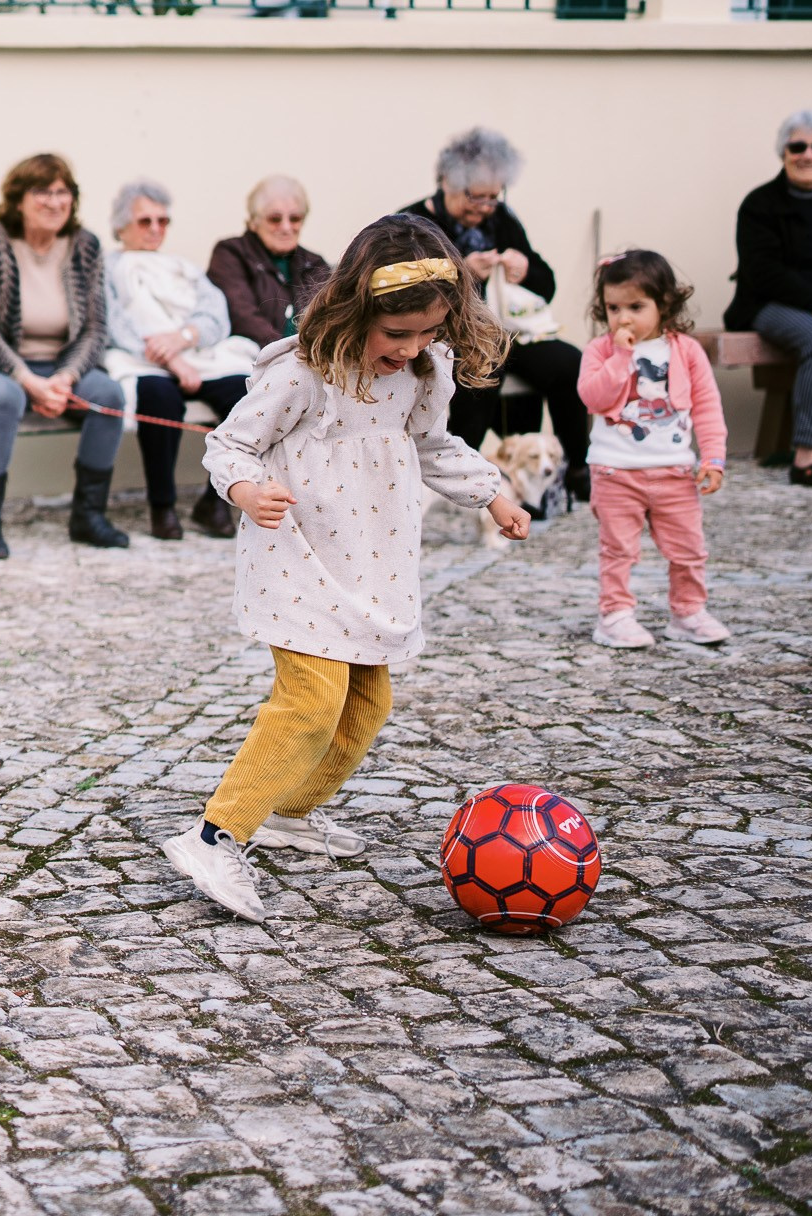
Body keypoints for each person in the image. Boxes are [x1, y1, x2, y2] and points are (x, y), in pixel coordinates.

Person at [164, 216, 531, 920]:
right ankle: (215, 835)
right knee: (309, 702)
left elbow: (433, 446)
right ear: (355, 309)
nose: (413, 347)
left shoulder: (422, 374)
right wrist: (247, 490)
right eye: (397, 332)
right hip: (298, 559)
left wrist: (494, 494)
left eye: (429, 331)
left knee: (367, 705)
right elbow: (230, 445)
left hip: (371, 564)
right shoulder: (304, 374)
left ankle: (288, 810)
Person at [0, 153, 130, 559]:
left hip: (62, 366)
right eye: (42, 191)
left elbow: (95, 328)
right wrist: (28, 381)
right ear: (18, 199)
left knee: (109, 396)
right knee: (5, 397)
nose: (54, 201)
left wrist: (65, 378)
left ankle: (88, 516)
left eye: (62, 192)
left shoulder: (85, 246)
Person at [403, 128, 591, 500]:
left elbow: (545, 286)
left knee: (569, 363)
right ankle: (462, 471)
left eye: (494, 196)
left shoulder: (501, 220)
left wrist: (526, 270)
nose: (485, 207)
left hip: (508, 330)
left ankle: (574, 468)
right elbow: (405, 293)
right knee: (484, 364)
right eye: (476, 196)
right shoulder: (413, 224)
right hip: (445, 336)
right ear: (447, 182)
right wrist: (461, 273)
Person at [581, 251, 730, 647]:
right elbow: (593, 398)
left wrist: (713, 457)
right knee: (618, 550)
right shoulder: (600, 350)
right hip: (615, 471)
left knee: (689, 549)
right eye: (614, 308)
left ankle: (688, 612)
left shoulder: (686, 350)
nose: (623, 318)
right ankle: (615, 616)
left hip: (675, 471)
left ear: (664, 304)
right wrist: (621, 356)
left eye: (635, 307)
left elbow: (707, 407)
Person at [102, 180, 257, 541]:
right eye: (145, 221)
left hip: (196, 355)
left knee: (243, 393)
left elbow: (214, 314)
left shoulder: (181, 267)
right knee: (159, 396)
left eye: (163, 221)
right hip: (141, 359)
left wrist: (184, 338)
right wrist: (171, 361)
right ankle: (162, 507)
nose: (156, 229)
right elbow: (115, 325)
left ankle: (215, 500)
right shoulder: (107, 268)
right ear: (121, 226)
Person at [725, 108, 812, 488]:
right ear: (784, 151)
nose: (808, 155)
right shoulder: (759, 204)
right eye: (798, 146)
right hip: (772, 305)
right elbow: (764, 271)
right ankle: (807, 457)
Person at [208, 174, 335, 347]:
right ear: (254, 221)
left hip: (307, 355)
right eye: (275, 219)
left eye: (295, 218)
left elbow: (330, 316)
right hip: (255, 357)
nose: (286, 227)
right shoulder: (231, 253)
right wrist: (284, 351)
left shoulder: (314, 263)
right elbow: (241, 314)